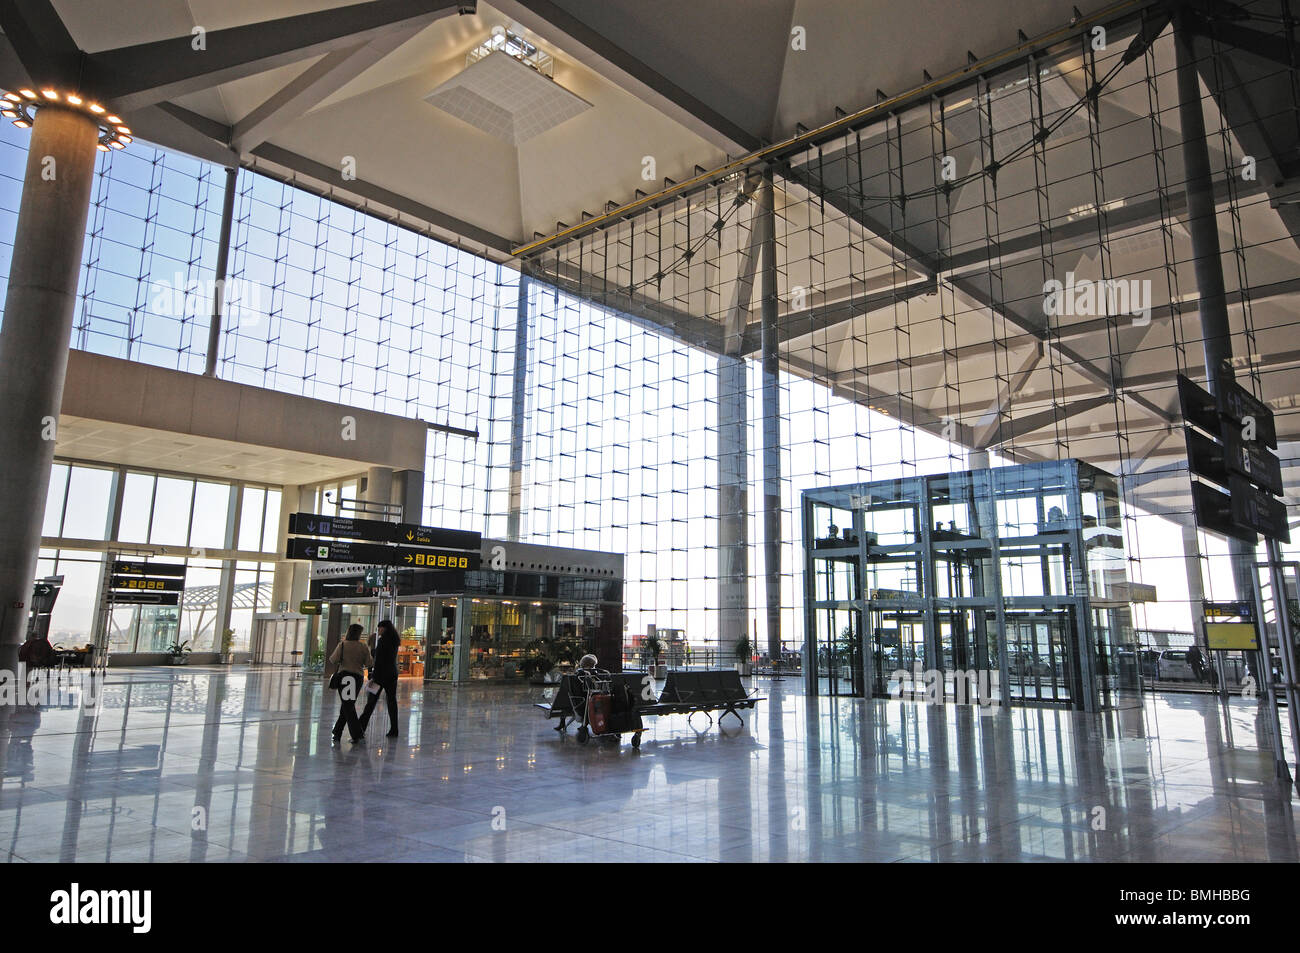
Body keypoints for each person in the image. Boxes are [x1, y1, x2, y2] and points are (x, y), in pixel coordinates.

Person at [329, 623, 372, 744]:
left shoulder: (342, 645)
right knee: (348, 705)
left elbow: (333, 660)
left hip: (344, 677)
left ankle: (346, 733)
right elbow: (369, 663)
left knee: (347, 706)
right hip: (357, 677)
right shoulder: (363, 646)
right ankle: (343, 732)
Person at [359, 619, 400, 738]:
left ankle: (361, 726)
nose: (378, 630)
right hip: (392, 674)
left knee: (371, 702)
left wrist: (373, 675)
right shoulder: (395, 640)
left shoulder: (383, 641)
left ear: (384, 628)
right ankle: (394, 728)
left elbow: (379, 660)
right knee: (391, 701)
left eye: (380, 628)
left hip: (380, 676)